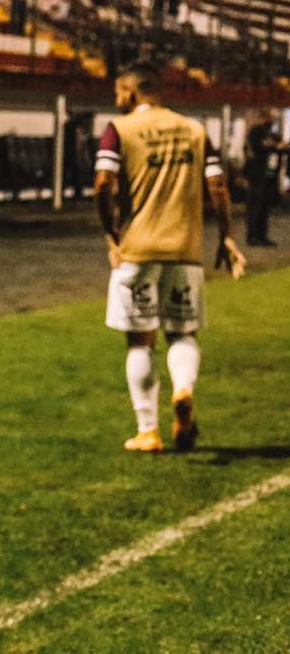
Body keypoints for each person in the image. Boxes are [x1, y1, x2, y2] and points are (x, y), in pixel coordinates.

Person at [94, 62, 246, 455]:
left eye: (118, 91)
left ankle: (148, 430)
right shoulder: (194, 129)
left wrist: (111, 232)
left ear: (131, 91)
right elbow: (218, 186)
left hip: (138, 249)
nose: (116, 98)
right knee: (182, 332)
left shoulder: (119, 129)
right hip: (185, 250)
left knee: (140, 342)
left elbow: (103, 182)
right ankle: (183, 389)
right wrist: (226, 236)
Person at [243, 108, 284, 247]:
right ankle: (252, 236)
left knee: (264, 207)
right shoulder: (256, 131)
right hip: (257, 175)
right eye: (273, 118)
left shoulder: (271, 133)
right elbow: (259, 147)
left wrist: (278, 146)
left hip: (269, 175)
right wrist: (276, 146)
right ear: (266, 117)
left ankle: (262, 235)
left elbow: (277, 146)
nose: (274, 121)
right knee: (255, 206)